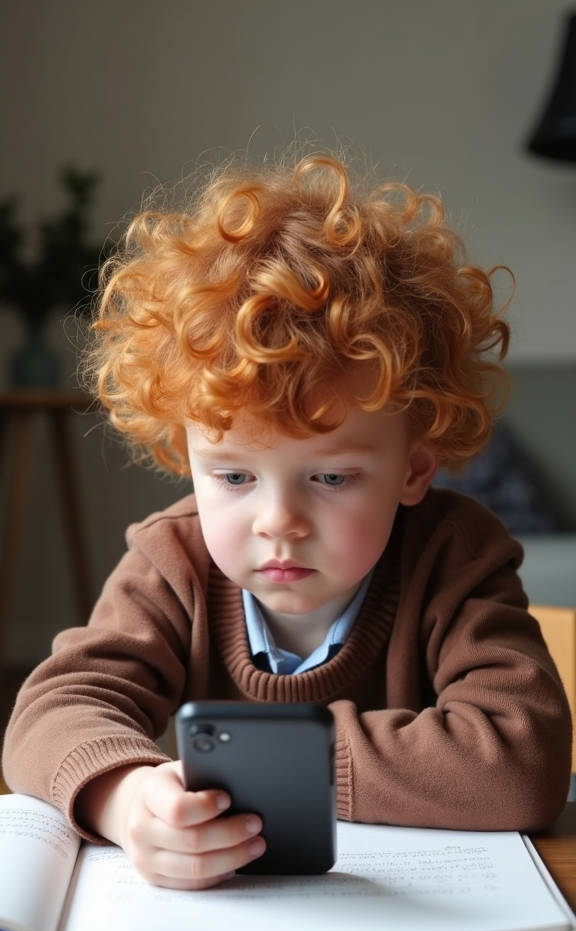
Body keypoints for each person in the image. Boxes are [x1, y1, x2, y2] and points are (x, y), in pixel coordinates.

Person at [2, 152, 572, 891]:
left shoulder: (454, 556)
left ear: (415, 467)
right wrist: (128, 796)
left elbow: (520, 766)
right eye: (234, 476)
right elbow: (52, 712)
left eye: (331, 476)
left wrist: (260, 765)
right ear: (186, 454)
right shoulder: (173, 559)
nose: (279, 521)